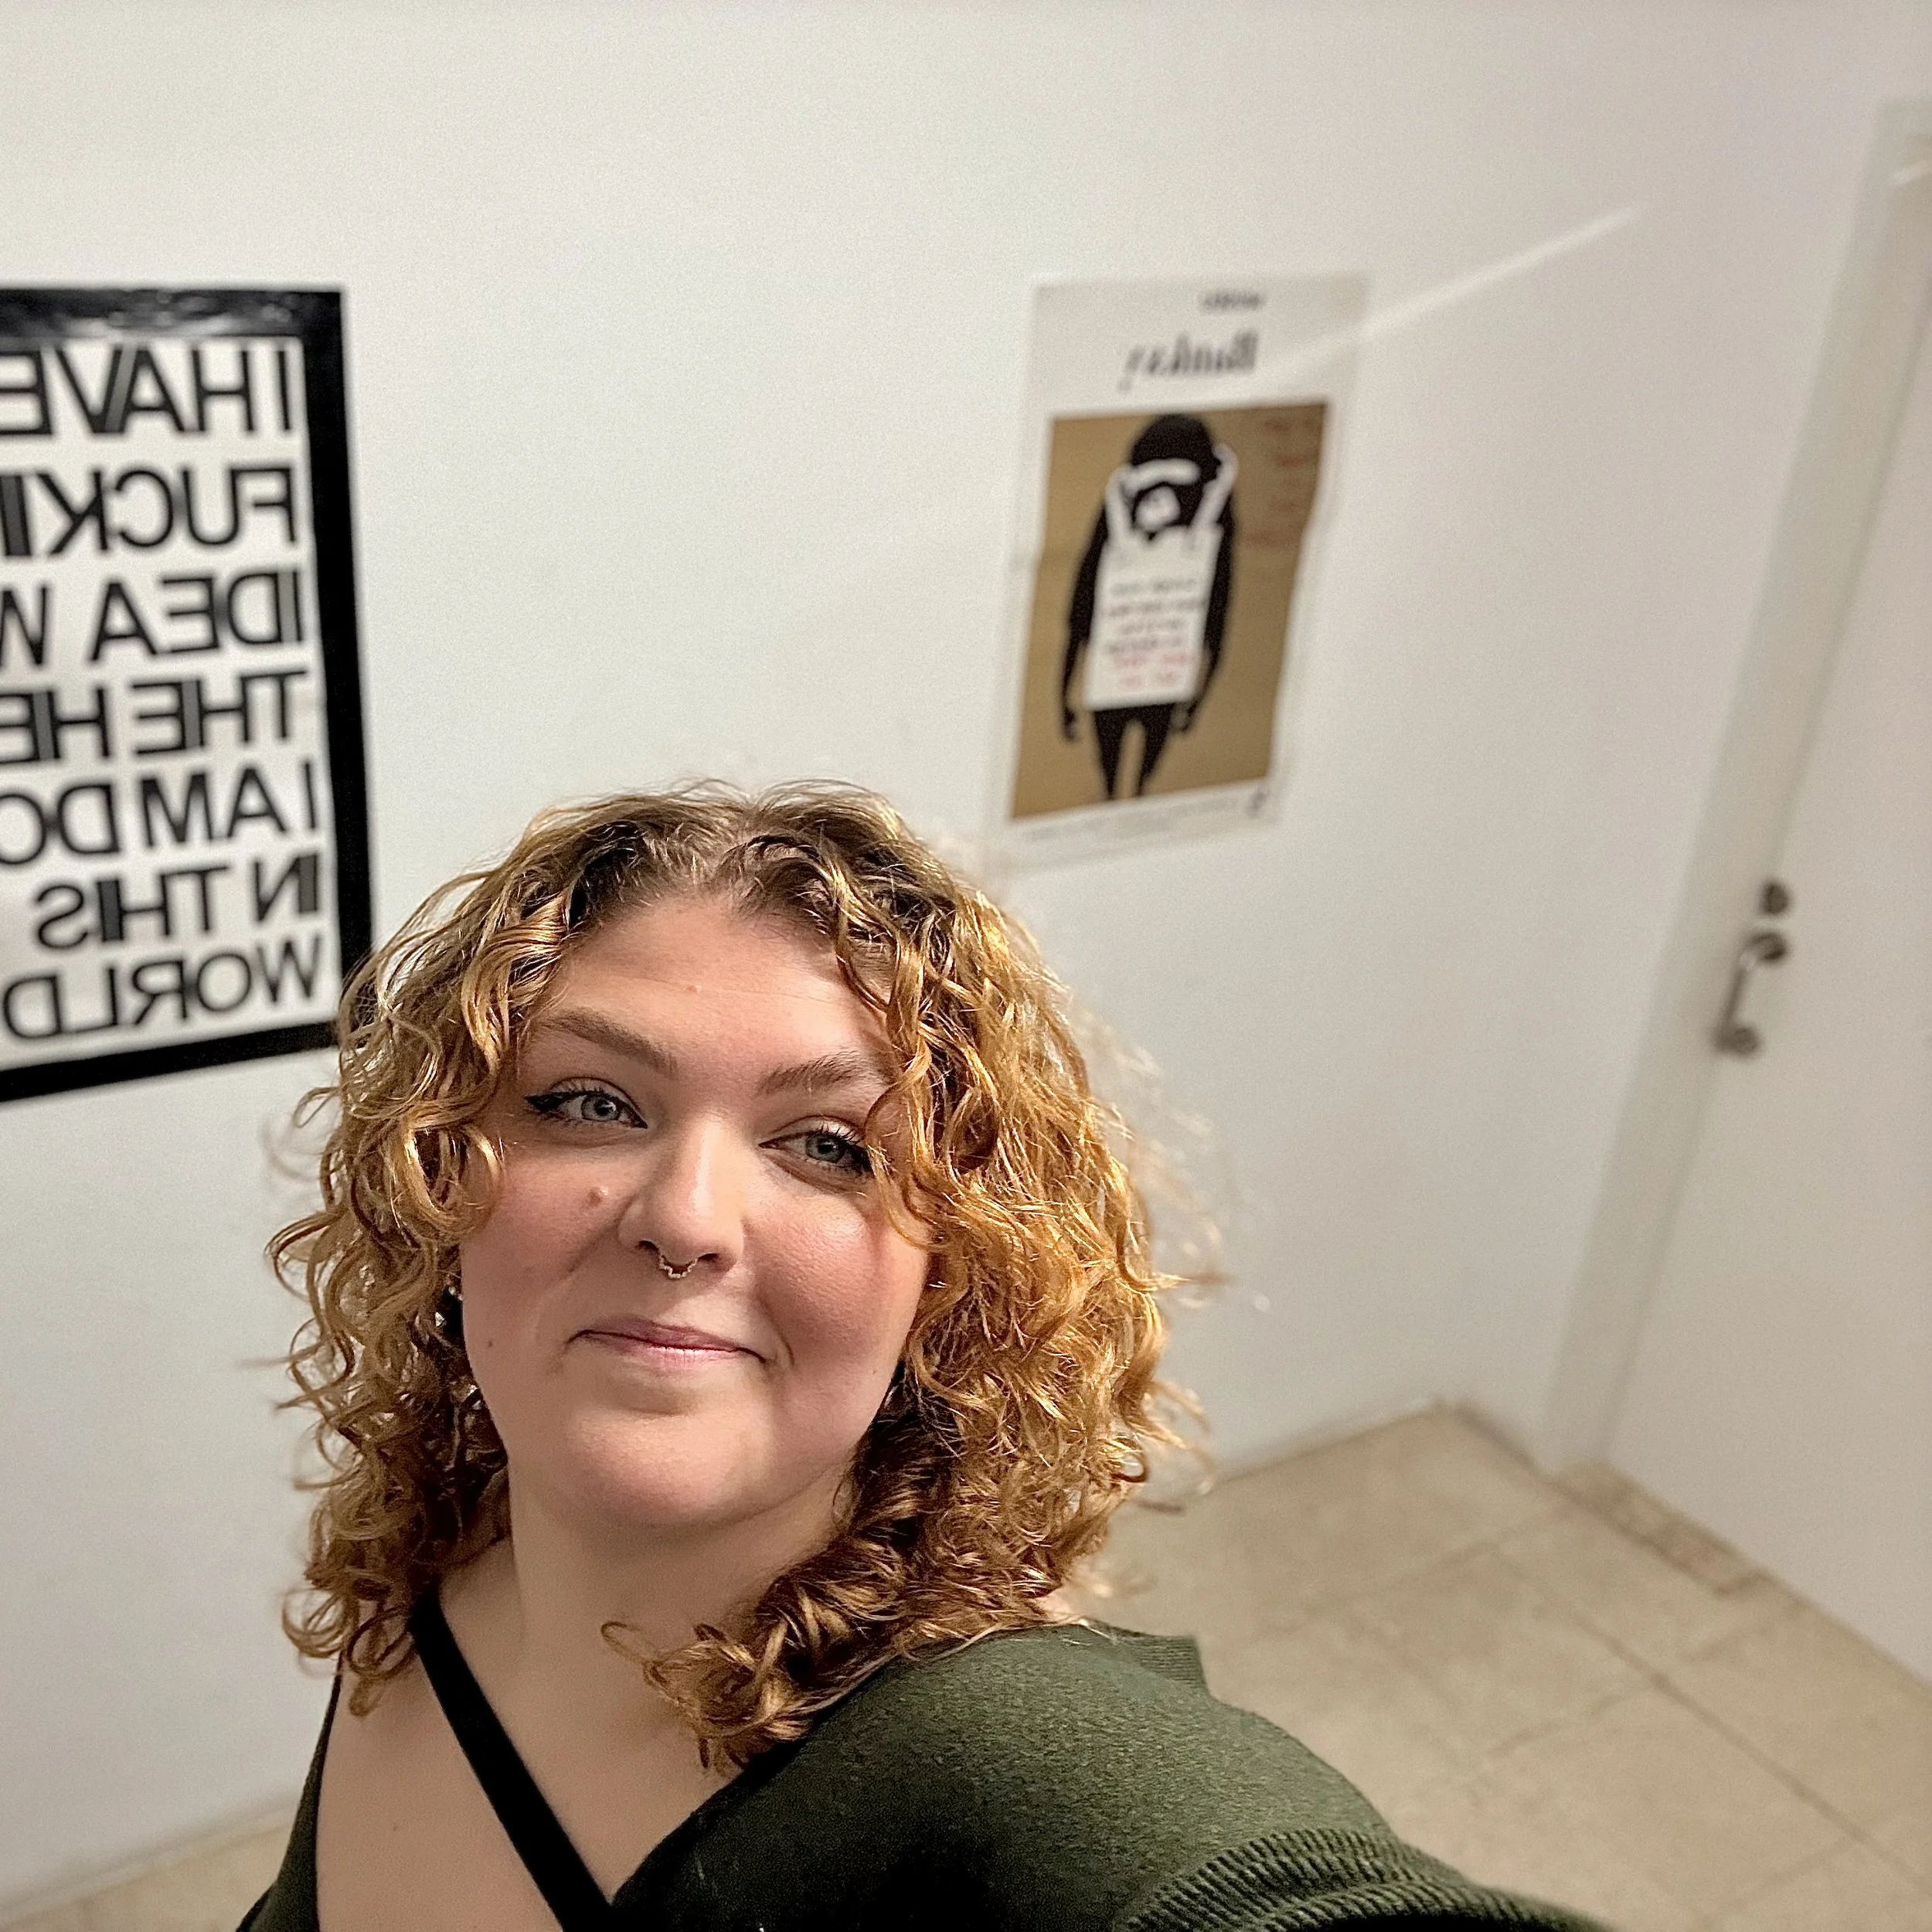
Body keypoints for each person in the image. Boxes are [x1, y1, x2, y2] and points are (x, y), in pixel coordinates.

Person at [243, 782, 1604, 1931]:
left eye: (830, 1146)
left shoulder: (1002, 1760)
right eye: (591, 1103)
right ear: (435, 1177)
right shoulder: (435, 1547)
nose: (683, 1219)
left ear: (950, 1276)